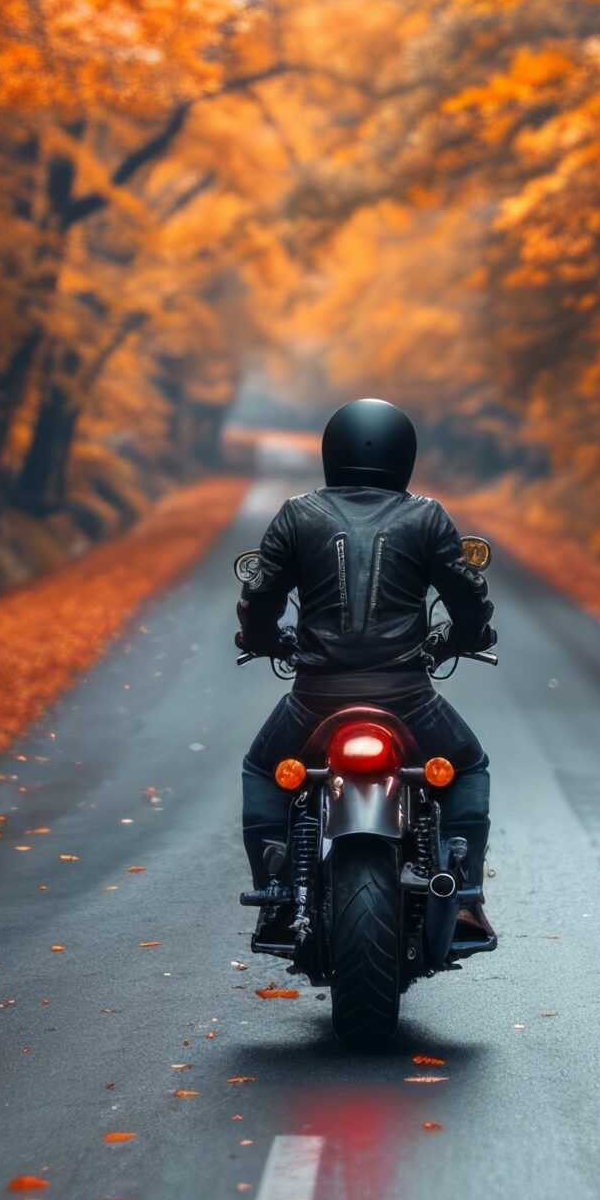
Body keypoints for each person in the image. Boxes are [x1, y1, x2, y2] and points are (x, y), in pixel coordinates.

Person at [237, 399, 498, 946]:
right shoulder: (427, 515)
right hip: (408, 697)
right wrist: (466, 639)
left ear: (333, 451)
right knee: (468, 768)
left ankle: (275, 896)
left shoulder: (296, 513)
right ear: (405, 454)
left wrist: (263, 640)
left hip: (314, 698)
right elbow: (469, 603)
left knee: (264, 770)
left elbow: (259, 598)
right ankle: (468, 899)